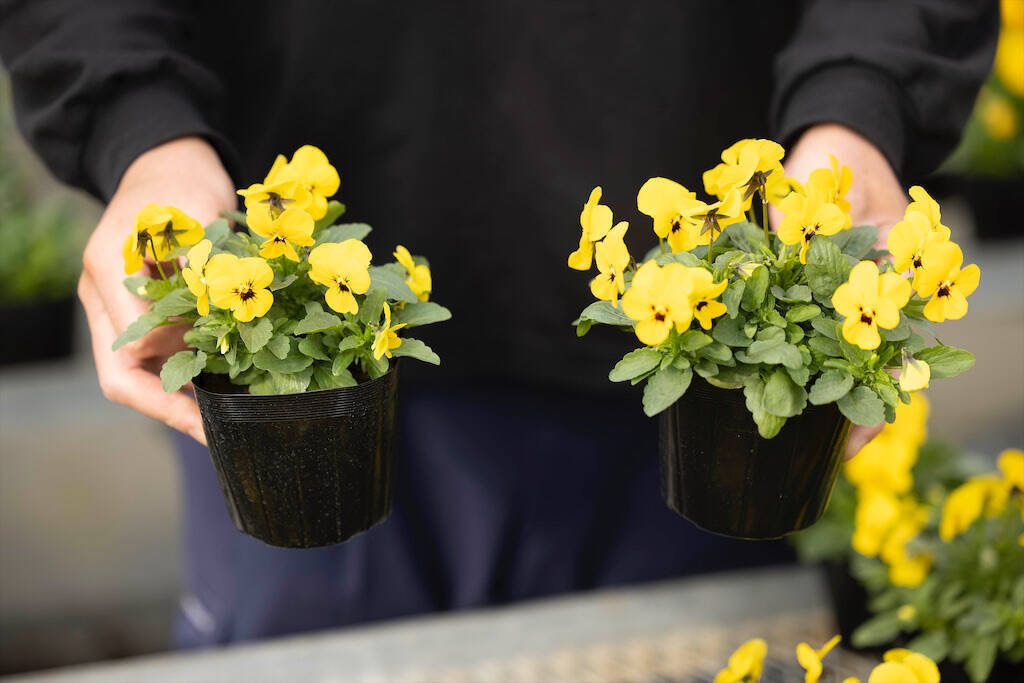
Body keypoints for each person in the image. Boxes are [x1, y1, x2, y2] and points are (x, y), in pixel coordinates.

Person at [0, 1, 997, 648]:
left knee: (701, 649)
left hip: (694, 381)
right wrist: (141, 128)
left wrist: (856, 104)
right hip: (304, 384)